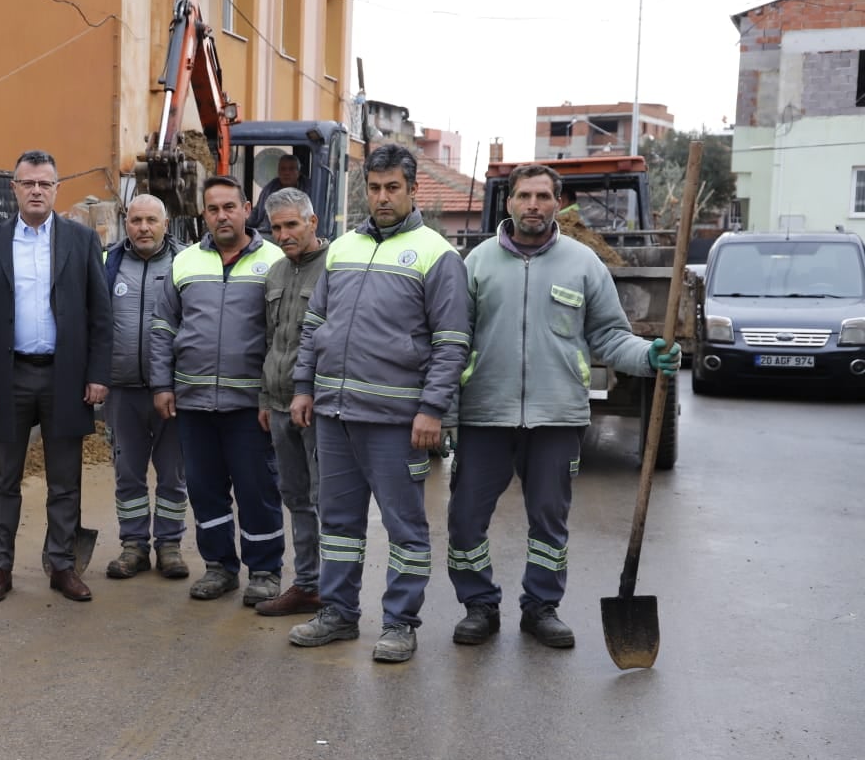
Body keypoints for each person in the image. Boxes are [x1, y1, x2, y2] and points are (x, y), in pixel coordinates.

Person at [447, 163, 680, 649]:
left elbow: (611, 338)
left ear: (559, 203)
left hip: (557, 416)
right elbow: (451, 341)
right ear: (509, 202)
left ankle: (540, 608)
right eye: (524, 196)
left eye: (543, 197)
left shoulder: (584, 263)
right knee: (466, 518)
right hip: (484, 414)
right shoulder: (476, 263)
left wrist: (650, 356)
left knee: (549, 521)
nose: (533, 205)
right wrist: (444, 412)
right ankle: (479, 606)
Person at [287, 143, 470, 663]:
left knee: (404, 526)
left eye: (392, 188)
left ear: (413, 190)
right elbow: (315, 326)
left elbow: (451, 341)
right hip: (335, 414)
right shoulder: (342, 249)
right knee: (339, 523)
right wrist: (305, 388)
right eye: (373, 187)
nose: (382, 197)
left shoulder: (437, 255)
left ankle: (400, 623)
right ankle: (339, 614)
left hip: (396, 421)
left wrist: (432, 409)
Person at [0, 150, 112, 603]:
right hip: (10, 378)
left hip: (64, 377)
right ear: (14, 188)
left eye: (44, 184)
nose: (35, 191)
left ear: (56, 189)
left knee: (64, 479)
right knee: (4, 478)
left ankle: (62, 565)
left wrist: (97, 374)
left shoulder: (80, 241)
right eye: (27, 183)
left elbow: (100, 315)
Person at [149, 175, 287, 605]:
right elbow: (162, 327)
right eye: (213, 209)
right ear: (203, 214)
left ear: (247, 209)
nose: (222, 215)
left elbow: (284, 336)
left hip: (251, 405)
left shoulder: (276, 261)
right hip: (192, 403)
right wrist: (161, 385)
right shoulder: (186, 262)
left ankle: (265, 570)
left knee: (257, 489)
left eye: (230, 207)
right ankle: (219, 567)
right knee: (205, 490)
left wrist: (273, 396)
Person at [101, 194, 189, 580]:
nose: (143, 228)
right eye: (136, 220)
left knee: (172, 472)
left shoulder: (186, 262)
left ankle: (169, 545)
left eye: (151, 220)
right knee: (128, 472)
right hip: (122, 389)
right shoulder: (109, 263)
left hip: (172, 390)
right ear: (126, 222)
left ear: (166, 224)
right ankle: (133, 545)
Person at [254, 187, 328, 617]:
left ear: (312, 223)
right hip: (280, 406)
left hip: (317, 408)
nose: (283, 234)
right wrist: (266, 397)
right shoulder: (276, 274)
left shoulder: (336, 268)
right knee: (296, 498)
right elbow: (271, 339)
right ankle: (307, 585)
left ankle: (334, 593)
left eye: (292, 225)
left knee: (326, 501)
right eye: (277, 227)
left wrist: (317, 394)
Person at [252, 154, 307, 234]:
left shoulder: (310, 189)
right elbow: (257, 213)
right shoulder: (269, 188)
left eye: (291, 169)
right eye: (283, 169)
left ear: (298, 172)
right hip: (267, 232)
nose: (286, 173)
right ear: (278, 171)